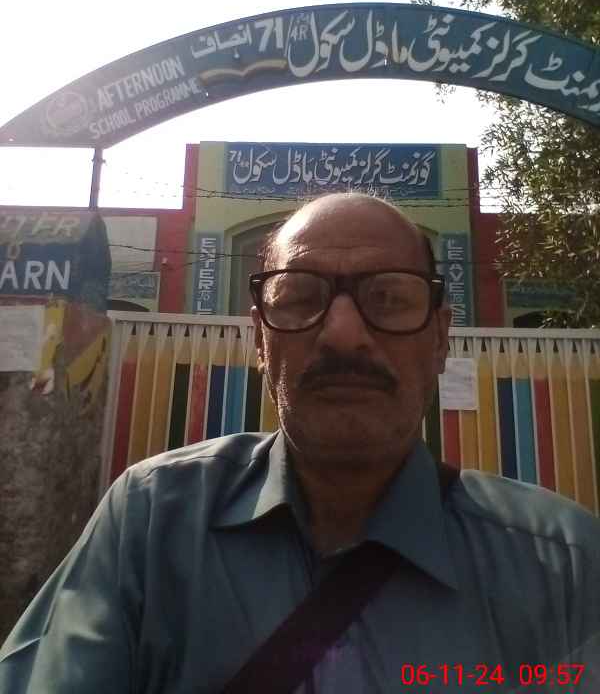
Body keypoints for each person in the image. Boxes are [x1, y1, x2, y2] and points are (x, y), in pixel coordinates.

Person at [0, 191, 599, 693]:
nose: (343, 334)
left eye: (389, 298)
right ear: (260, 339)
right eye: (301, 298)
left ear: (440, 338)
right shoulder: (152, 522)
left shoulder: (564, 565)